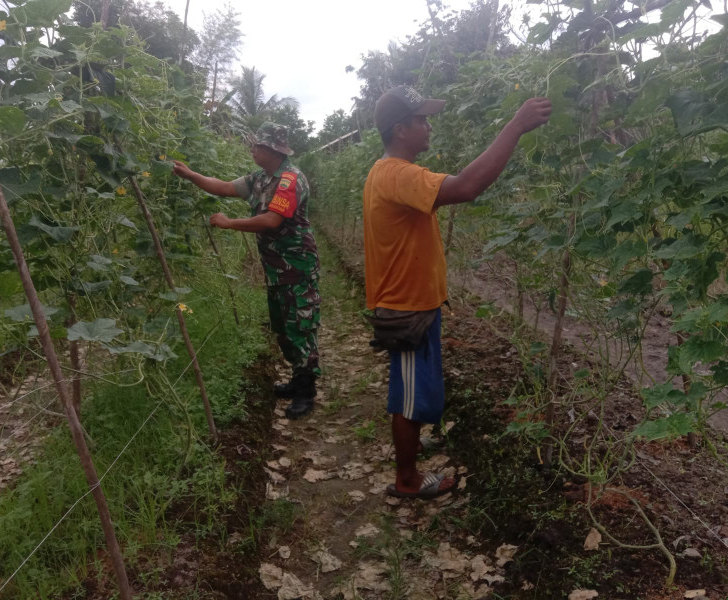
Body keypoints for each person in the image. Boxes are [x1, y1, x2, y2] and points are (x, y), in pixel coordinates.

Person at [364, 86, 552, 499]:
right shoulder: (397, 174)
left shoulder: (391, 173)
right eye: (421, 120)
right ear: (400, 129)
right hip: (406, 309)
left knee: (416, 391)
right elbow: (467, 187)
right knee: (409, 396)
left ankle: (411, 448)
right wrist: (515, 126)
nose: (429, 126)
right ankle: (407, 479)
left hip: (416, 304)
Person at [172, 122, 321, 420]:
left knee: (299, 328)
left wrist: (230, 223)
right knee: (282, 328)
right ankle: (296, 380)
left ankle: (306, 390)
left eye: (257, 145)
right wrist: (190, 175)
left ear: (272, 149)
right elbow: (225, 187)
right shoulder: (259, 178)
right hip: (276, 268)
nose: (252, 149)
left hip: (297, 269)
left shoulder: (290, 181)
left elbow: (271, 221)